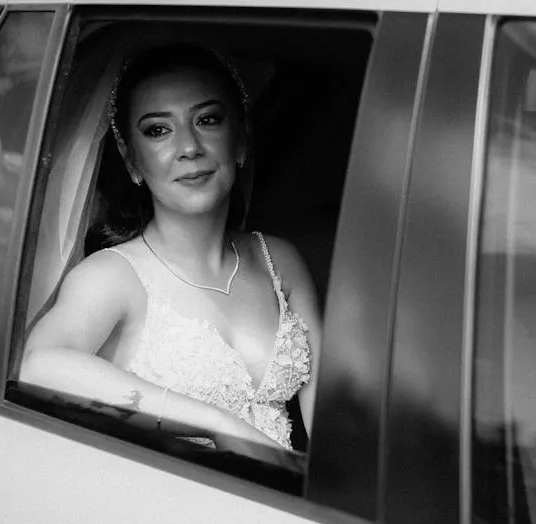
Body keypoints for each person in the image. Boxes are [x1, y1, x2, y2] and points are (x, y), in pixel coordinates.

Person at [21, 43, 320, 457]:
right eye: (158, 129)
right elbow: (39, 365)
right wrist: (216, 424)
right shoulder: (112, 276)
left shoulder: (280, 261)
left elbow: (332, 423)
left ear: (240, 139)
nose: (189, 147)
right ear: (131, 161)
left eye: (208, 120)